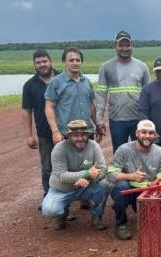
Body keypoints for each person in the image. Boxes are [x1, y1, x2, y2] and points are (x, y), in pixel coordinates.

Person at [41, 120, 110, 231]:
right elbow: (61, 175)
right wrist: (86, 174)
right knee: (49, 210)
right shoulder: (59, 149)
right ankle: (61, 215)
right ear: (69, 136)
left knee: (105, 185)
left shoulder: (94, 146)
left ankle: (97, 215)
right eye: (75, 135)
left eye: (83, 134)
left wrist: (88, 179)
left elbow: (103, 169)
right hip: (62, 189)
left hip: (85, 187)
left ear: (88, 134)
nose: (80, 138)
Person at [108, 120, 161, 240]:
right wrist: (131, 176)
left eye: (151, 133)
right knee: (121, 187)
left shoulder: (160, 152)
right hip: (128, 188)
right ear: (136, 133)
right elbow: (110, 174)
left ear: (155, 135)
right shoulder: (123, 149)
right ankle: (121, 224)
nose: (147, 136)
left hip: (146, 190)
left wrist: (154, 186)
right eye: (143, 132)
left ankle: (140, 208)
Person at [96, 30, 151, 153]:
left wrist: (149, 119)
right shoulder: (106, 67)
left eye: (127, 45)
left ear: (132, 45)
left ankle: (140, 173)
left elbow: (149, 95)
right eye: (121, 45)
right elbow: (101, 95)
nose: (124, 48)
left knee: (141, 153)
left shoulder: (142, 66)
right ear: (115, 46)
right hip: (117, 120)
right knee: (120, 154)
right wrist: (99, 120)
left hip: (139, 119)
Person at [21, 48, 59, 207]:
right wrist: (29, 135)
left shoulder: (62, 78)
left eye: (44, 61)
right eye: (38, 62)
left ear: (50, 62)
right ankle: (49, 197)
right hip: (44, 133)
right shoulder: (29, 85)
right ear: (34, 65)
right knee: (47, 168)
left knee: (74, 165)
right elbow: (26, 112)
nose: (42, 65)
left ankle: (82, 197)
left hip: (67, 132)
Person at [45, 46, 105, 145]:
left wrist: (97, 125)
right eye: (71, 60)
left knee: (89, 161)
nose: (75, 63)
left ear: (81, 62)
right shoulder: (56, 82)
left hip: (87, 133)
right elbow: (49, 107)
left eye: (78, 60)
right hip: (67, 134)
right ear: (64, 62)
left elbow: (91, 106)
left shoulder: (86, 82)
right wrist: (55, 132)